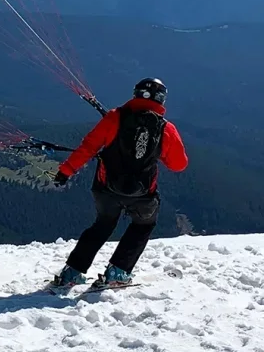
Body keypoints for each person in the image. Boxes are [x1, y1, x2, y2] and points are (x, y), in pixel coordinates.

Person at [48, 78, 188, 291]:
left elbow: (88, 147)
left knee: (102, 225)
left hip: (106, 189)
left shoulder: (114, 117)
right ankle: (118, 272)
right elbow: (179, 165)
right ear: (162, 100)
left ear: (135, 94)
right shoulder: (166, 129)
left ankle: (72, 273)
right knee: (143, 226)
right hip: (143, 194)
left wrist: (66, 171)